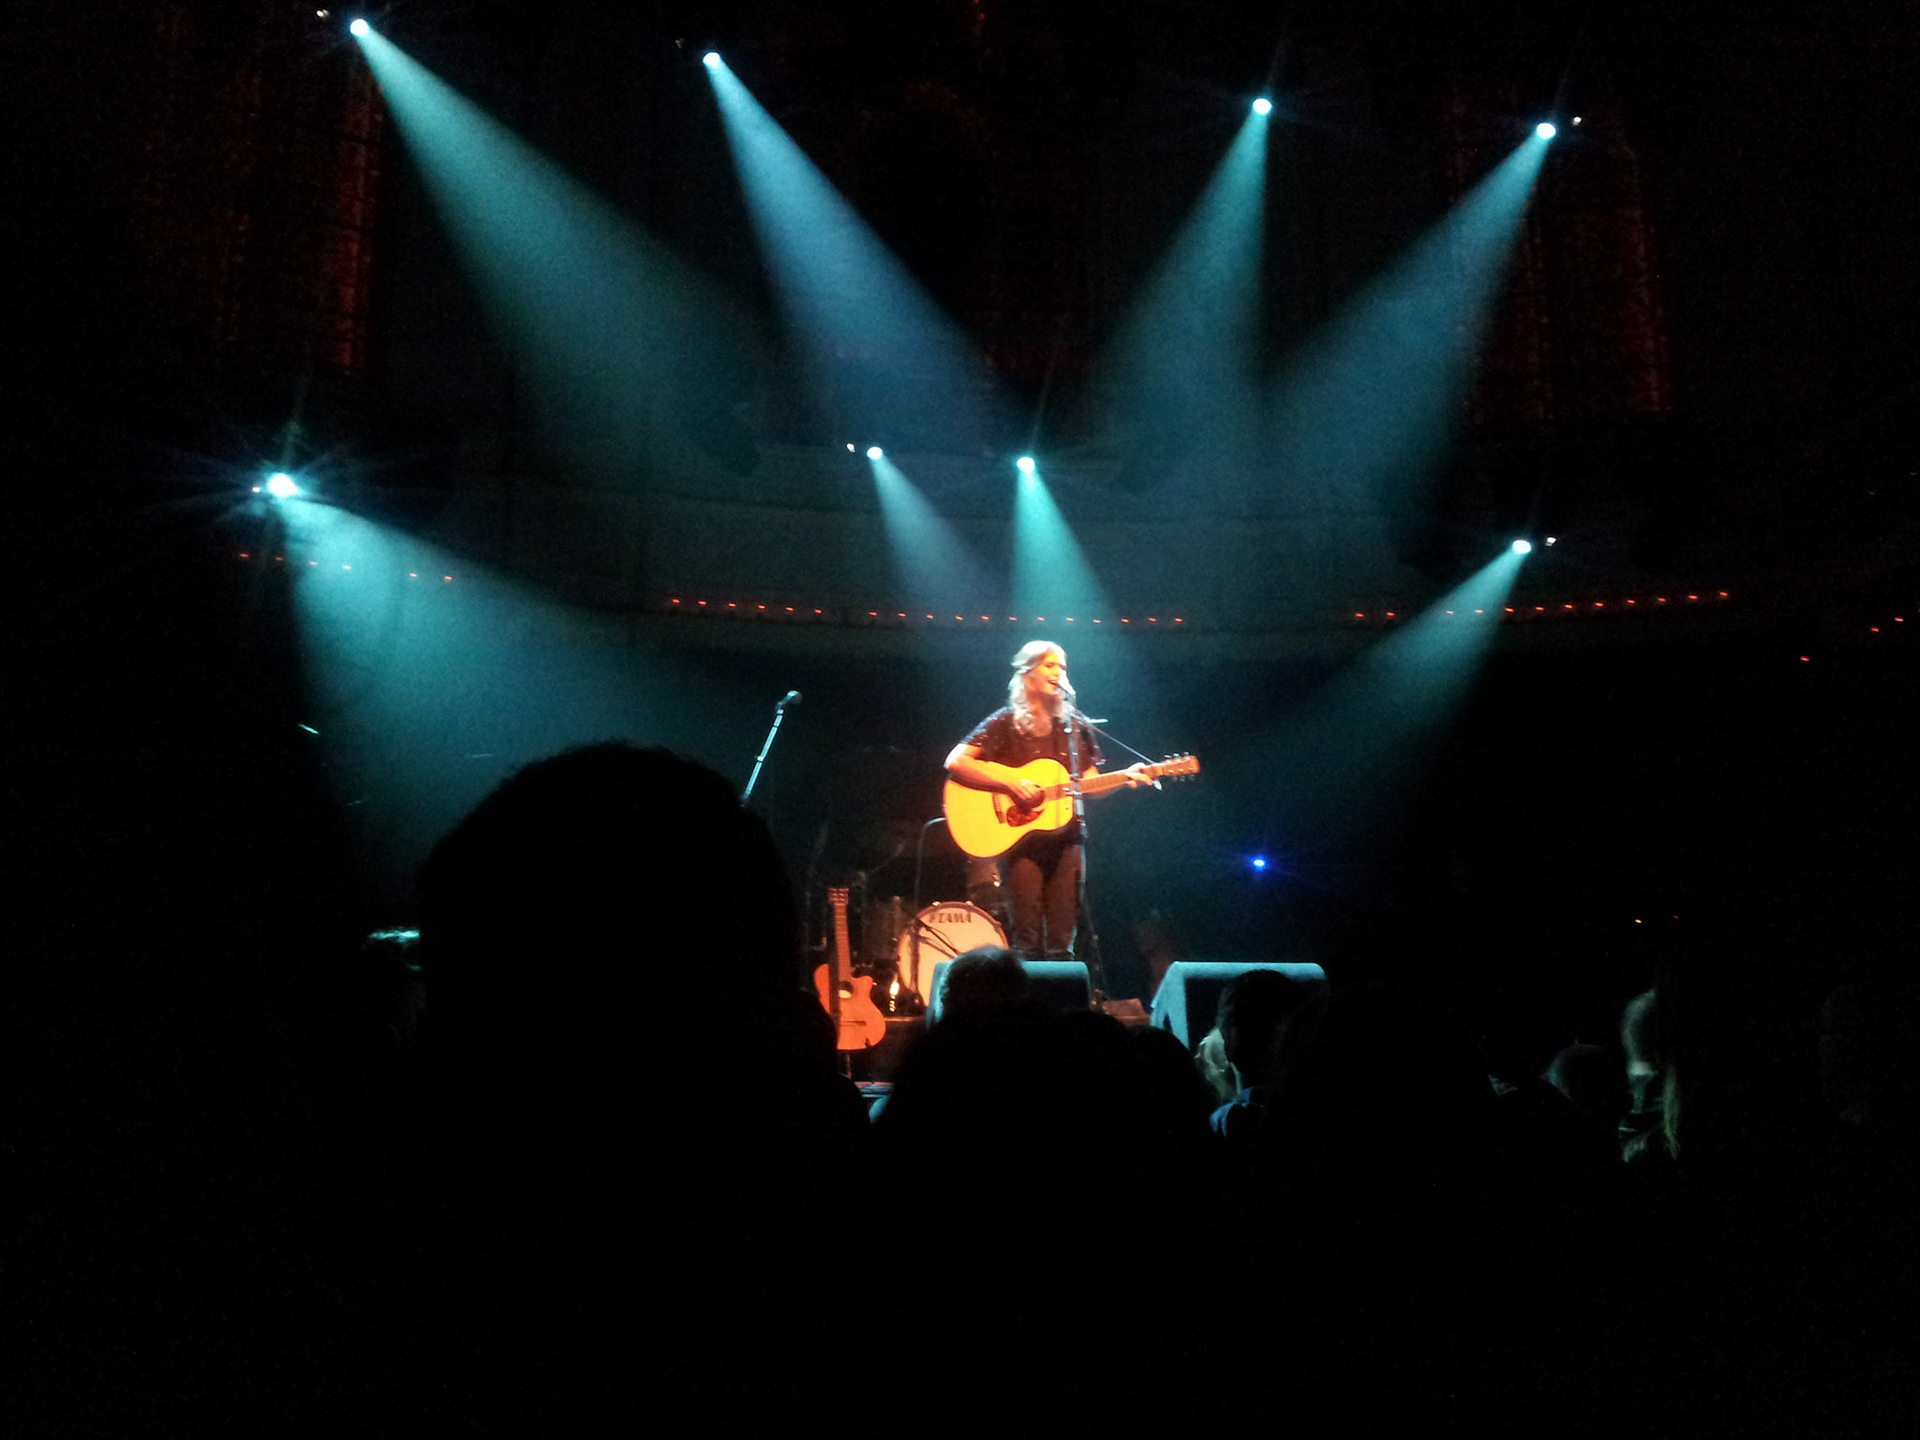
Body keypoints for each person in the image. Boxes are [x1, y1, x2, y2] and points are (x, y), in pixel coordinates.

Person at [945, 641, 1146, 961]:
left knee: (1062, 943)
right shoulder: (1005, 722)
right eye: (1050, 665)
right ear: (1028, 672)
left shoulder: (1074, 725)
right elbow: (956, 761)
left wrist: (1126, 777)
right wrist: (1011, 781)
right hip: (1022, 842)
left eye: (1063, 667)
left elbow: (1091, 785)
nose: (1059, 672)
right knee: (1027, 940)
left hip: (1068, 839)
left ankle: (1061, 988)